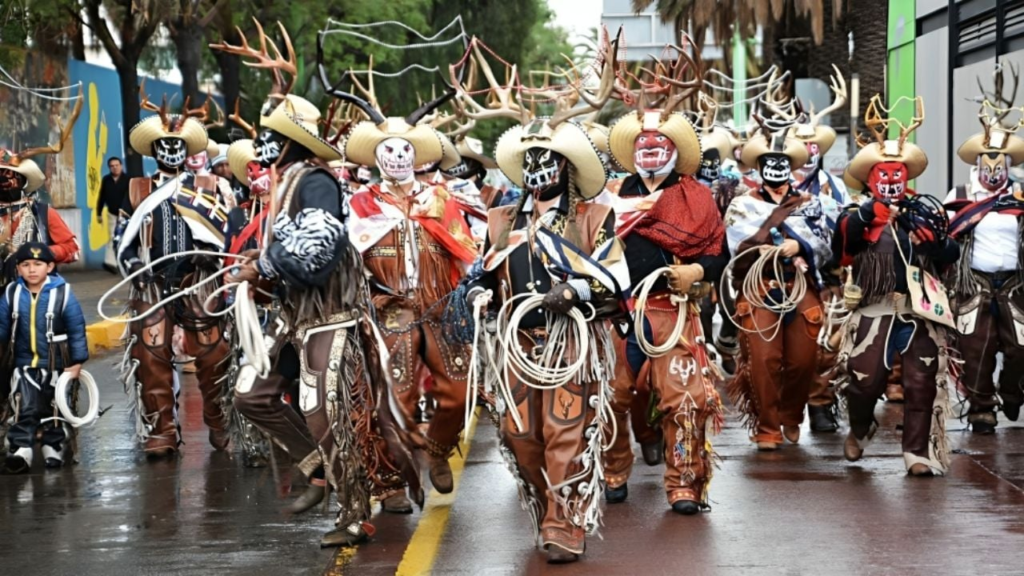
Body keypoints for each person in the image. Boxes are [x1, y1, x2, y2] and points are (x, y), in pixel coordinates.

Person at [461, 34, 624, 564]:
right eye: (530, 159)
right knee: (518, 434)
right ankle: (546, 502)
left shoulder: (593, 218)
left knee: (565, 432)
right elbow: (485, 269)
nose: (537, 168)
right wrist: (480, 290)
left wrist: (574, 289)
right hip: (515, 345)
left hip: (568, 342)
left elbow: (613, 277)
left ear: (564, 167)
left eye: (547, 159)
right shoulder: (502, 220)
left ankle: (565, 523)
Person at [602, 98, 728, 514]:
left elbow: (719, 256)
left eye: (658, 141)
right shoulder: (611, 196)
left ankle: (684, 484)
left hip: (673, 311)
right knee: (609, 396)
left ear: (674, 149)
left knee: (686, 400)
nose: (650, 148)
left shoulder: (696, 195)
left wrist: (697, 271)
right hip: (620, 313)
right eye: (642, 143)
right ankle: (613, 470)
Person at [835, 95, 958, 476]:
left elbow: (950, 251)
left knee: (921, 383)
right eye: (883, 175)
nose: (891, 181)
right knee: (862, 382)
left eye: (898, 174)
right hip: (873, 309)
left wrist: (936, 243)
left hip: (918, 311)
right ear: (871, 179)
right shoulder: (856, 213)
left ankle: (917, 452)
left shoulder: (925, 209)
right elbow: (841, 248)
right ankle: (860, 426)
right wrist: (865, 219)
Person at [117, 89, 231, 458]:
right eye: (164, 144)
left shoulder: (207, 187)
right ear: (154, 150)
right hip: (151, 283)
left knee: (214, 354)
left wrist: (210, 258)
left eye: (177, 144)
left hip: (198, 282)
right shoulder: (137, 189)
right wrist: (134, 266)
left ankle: (219, 420)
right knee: (150, 355)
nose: (170, 150)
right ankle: (161, 429)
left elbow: (222, 235)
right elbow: (124, 238)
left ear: (186, 150)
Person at [724, 122, 831, 451]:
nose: (776, 167)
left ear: (792, 167)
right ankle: (767, 425)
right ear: (759, 168)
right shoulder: (742, 204)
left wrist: (800, 248)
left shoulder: (811, 202)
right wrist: (763, 247)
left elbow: (827, 239)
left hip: (798, 282)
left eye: (782, 161)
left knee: (804, 358)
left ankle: (791, 414)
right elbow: (735, 243)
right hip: (760, 286)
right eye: (769, 161)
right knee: (763, 359)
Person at [945, 98, 1024, 434]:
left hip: (1015, 284)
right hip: (973, 282)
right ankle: (982, 408)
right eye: (987, 167)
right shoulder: (961, 194)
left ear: (1008, 167)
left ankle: (1012, 392)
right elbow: (946, 237)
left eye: (1000, 167)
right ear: (977, 166)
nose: (993, 173)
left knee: (1020, 347)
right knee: (976, 348)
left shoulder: (1020, 195)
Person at [1, 242, 88, 473]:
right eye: (25, 265)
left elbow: (77, 328)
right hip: (24, 365)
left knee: (55, 409)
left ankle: (54, 446)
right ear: (17, 268)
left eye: (38, 264)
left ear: (49, 266)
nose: (31, 270)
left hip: (57, 366)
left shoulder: (63, 293)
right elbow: (2, 326)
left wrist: (76, 362)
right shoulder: (12, 293)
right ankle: (21, 451)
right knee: (23, 406)